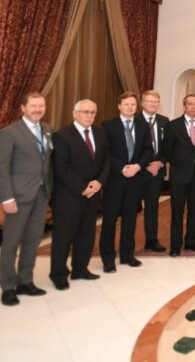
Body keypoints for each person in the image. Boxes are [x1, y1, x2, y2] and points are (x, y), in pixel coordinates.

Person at [49, 99, 110, 290]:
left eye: (92, 112)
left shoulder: (99, 133)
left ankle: (80, 269)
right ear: (75, 114)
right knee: (63, 237)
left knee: (86, 234)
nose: (89, 115)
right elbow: (61, 167)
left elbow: (106, 160)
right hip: (69, 195)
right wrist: (83, 187)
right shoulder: (62, 136)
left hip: (93, 194)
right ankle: (58, 274)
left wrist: (99, 182)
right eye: (85, 112)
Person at [0, 93, 53, 305]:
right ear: (23, 108)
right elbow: (2, 168)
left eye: (41, 106)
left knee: (33, 240)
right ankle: (7, 286)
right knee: (11, 243)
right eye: (33, 106)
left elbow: (48, 163)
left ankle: (25, 281)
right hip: (18, 196)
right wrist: (6, 198)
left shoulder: (48, 130)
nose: (38, 109)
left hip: (41, 194)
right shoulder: (9, 133)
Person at [100, 92, 153, 273]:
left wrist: (138, 166)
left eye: (133, 104)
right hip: (115, 179)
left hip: (135, 180)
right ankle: (108, 258)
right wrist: (122, 168)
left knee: (130, 219)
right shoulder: (108, 125)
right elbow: (105, 152)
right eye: (126, 104)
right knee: (109, 220)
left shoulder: (143, 125)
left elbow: (148, 150)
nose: (130, 107)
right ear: (119, 106)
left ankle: (127, 254)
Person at [163, 94, 195, 257]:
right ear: (184, 106)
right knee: (177, 212)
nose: (193, 107)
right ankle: (175, 245)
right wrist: (181, 163)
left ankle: (191, 242)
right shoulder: (173, 125)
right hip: (179, 176)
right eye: (190, 104)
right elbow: (167, 151)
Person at [137, 90, 168, 253]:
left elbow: (168, 147)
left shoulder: (164, 121)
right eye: (149, 101)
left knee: (152, 208)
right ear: (142, 103)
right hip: (137, 172)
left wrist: (160, 163)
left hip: (156, 172)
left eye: (156, 102)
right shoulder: (134, 120)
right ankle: (127, 244)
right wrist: (145, 165)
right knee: (131, 209)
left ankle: (151, 241)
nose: (153, 104)